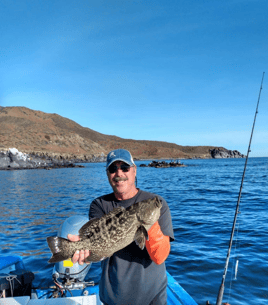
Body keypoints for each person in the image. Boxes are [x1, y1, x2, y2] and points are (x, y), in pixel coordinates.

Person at [68, 149, 174, 305]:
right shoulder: (99, 205)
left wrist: (149, 222)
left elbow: (159, 257)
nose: (119, 173)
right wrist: (84, 249)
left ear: (134, 170)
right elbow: (100, 247)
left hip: (153, 298)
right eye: (113, 169)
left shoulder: (156, 202)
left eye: (124, 167)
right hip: (114, 298)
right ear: (107, 174)